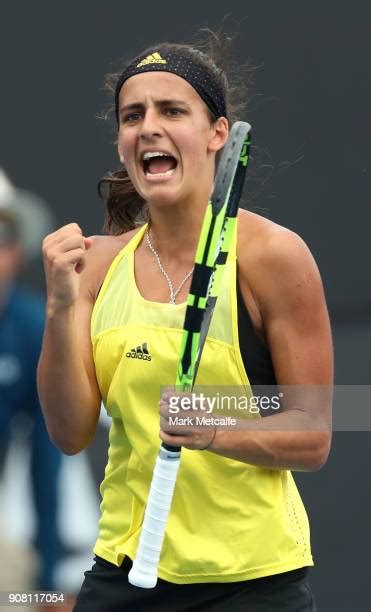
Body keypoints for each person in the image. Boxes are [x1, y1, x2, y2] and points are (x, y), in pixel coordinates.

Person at [38, 32, 333, 612]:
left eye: (172, 110)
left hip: (253, 584)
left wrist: (213, 424)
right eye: (133, 115)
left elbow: (313, 431)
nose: (148, 126)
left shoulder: (274, 256)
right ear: (122, 143)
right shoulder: (97, 265)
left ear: (216, 133)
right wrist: (59, 308)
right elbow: (70, 433)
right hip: (124, 573)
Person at [0, 170, 64, 593]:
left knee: (18, 595)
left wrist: (47, 583)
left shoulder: (31, 326)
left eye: (4, 237)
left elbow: (47, 462)